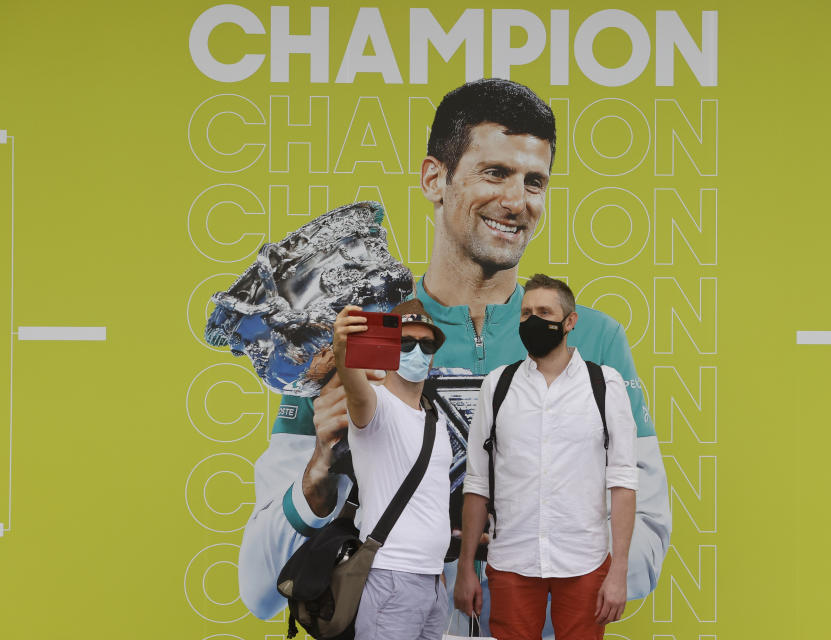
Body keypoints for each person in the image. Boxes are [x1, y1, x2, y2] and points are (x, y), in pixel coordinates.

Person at [237, 79, 671, 635]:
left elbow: (643, 557)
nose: (517, 202)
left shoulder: (595, 342)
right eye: (495, 173)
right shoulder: (357, 340)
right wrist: (321, 476)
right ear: (433, 179)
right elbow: (258, 585)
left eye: (534, 181)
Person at [455, 274, 638, 640]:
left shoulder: (605, 385)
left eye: (544, 311)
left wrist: (618, 573)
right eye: (525, 313)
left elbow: (623, 483)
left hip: (584, 560)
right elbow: (476, 484)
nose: (532, 321)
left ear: (569, 322)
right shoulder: (497, 385)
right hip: (512, 561)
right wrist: (464, 568)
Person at [332, 298, 452, 639]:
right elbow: (353, 385)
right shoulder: (375, 404)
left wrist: (436, 571)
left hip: (431, 580)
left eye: (426, 344)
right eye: (406, 342)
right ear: (388, 348)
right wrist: (342, 348)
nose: (418, 351)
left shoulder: (434, 417)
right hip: (390, 578)